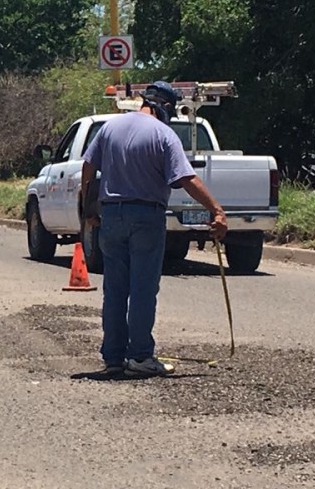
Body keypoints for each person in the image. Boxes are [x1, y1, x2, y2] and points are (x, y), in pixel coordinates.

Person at [81, 81, 228, 377]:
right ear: (167, 107)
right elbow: (186, 177)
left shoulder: (110, 128)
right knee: (143, 289)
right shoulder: (164, 134)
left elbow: (87, 167)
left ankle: (113, 358)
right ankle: (139, 357)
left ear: (144, 100)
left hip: (112, 215)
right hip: (146, 216)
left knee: (115, 289)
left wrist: (88, 207)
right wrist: (216, 210)